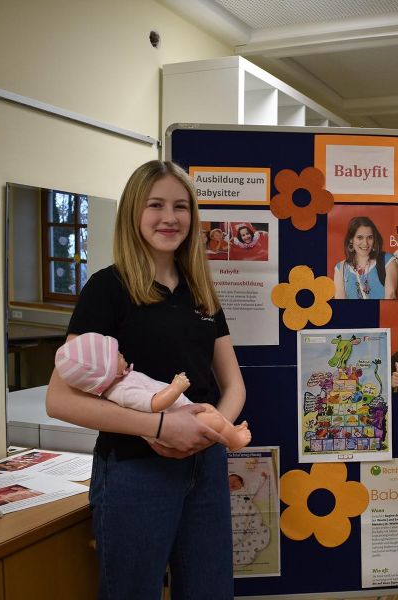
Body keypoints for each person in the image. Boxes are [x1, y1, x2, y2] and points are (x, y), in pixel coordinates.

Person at [45, 160, 246, 599]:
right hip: (135, 473)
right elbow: (59, 399)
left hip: (205, 468)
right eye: (156, 205)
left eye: (180, 206)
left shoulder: (201, 291)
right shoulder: (107, 289)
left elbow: (234, 386)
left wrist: (209, 432)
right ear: (134, 212)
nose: (169, 218)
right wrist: (162, 427)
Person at [55, 332, 251, 451]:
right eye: (115, 355)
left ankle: (231, 431)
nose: (120, 353)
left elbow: (235, 385)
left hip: (184, 417)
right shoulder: (122, 390)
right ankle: (233, 440)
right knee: (214, 420)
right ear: (106, 373)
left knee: (209, 409)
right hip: (173, 428)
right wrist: (176, 387)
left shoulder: (124, 379)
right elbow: (155, 403)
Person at [333, 216, 398, 299]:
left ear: (374, 239)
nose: (365, 243)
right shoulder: (341, 268)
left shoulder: (388, 260)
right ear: (351, 240)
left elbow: (391, 295)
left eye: (370, 237)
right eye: (360, 237)